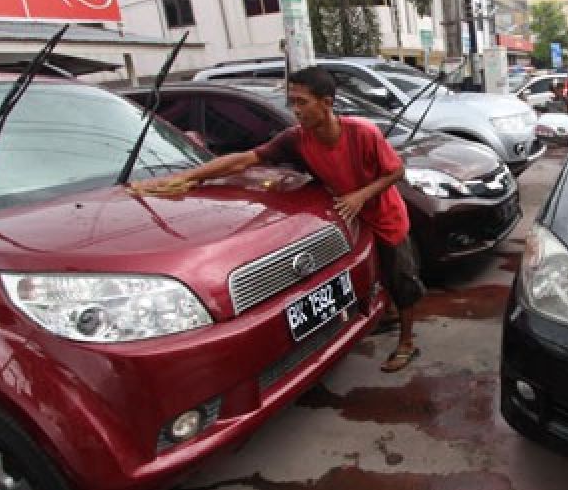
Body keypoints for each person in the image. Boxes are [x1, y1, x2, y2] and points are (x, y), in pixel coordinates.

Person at [130, 65, 425, 372]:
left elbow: (396, 172)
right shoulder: (296, 139)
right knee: (373, 272)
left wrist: (360, 196)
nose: (296, 110)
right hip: (350, 218)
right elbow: (246, 159)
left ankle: (407, 343)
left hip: (386, 217)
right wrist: (190, 177)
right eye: (292, 102)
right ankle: (386, 315)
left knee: (401, 279)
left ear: (326, 103)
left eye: (302, 102)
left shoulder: (363, 132)